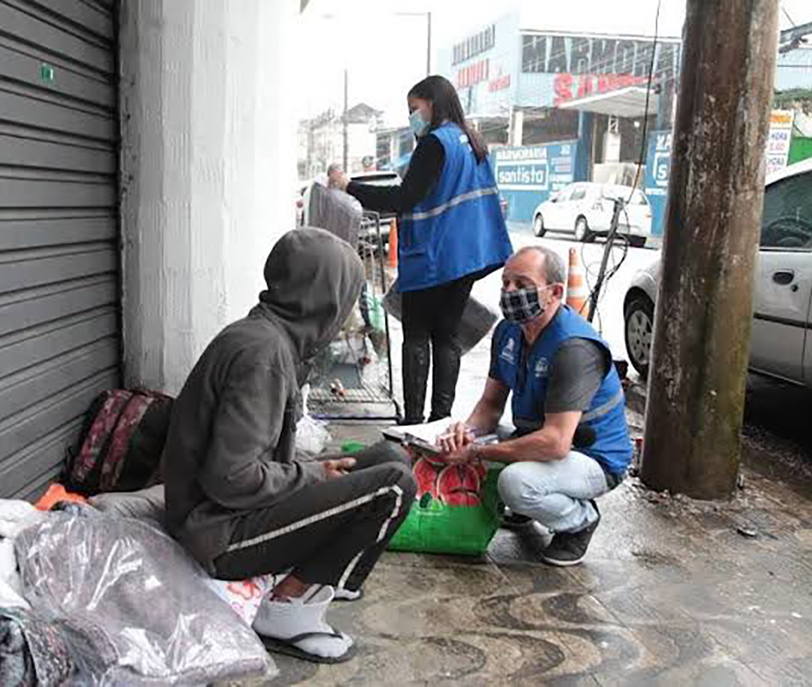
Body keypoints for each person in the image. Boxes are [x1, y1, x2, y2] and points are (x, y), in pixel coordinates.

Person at [163, 228, 417, 664]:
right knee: (392, 486)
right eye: (346, 297)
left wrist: (314, 470)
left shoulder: (266, 337)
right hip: (218, 534)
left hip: (230, 511)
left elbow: (253, 456)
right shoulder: (263, 356)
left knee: (389, 456)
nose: (346, 314)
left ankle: (324, 576)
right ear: (323, 297)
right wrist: (314, 474)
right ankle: (287, 606)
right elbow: (231, 477)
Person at [333, 75, 512, 425]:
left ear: (433, 102)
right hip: (468, 257)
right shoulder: (472, 141)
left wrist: (349, 186)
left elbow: (402, 198)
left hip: (435, 255)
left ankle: (414, 420)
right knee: (446, 335)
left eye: (414, 109)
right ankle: (441, 419)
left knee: (416, 334)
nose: (412, 117)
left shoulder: (434, 144)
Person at [437, 246, 632, 567]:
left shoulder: (574, 348)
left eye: (522, 285)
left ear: (555, 292)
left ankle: (579, 521)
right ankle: (529, 505)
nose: (510, 292)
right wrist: (466, 433)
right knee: (456, 442)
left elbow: (556, 443)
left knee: (514, 483)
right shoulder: (508, 332)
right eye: (506, 283)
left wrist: (476, 452)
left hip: (593, 458)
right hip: (543, 440)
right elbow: (490, 404)